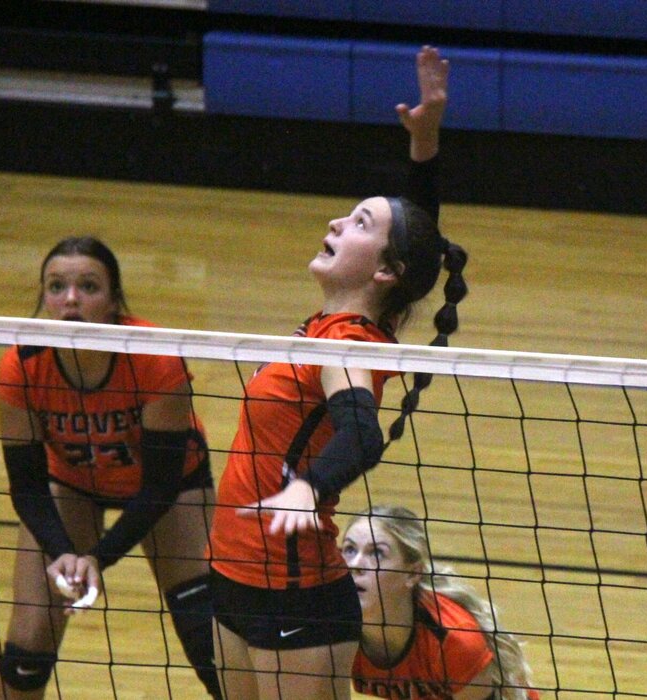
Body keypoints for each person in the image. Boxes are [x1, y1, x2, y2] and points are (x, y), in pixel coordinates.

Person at [206, 45, 468, 699]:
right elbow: (412, 245)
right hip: (232, 575)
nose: (334, 221)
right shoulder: (337, 324)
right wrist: (425, 148)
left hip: (295, 595)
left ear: (383, 272)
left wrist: (307, 488)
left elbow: (362, 437)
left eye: (356, 223)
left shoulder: (346, 343)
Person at [0, 237, 221, 699]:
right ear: (44, 298)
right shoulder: (21, 365)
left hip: (170, 489)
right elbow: (28, 488)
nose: (70, 298)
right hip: (70, 485)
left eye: (88, 286)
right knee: (27, 649)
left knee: (209, 639)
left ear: (114, 300)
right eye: (57, 287)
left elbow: (158, 486)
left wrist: (97, 556)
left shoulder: (154, 359)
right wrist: (63, 553)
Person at [342, 506, 540, 700]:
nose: (355, 565)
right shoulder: (329, 627)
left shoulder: (454, 638)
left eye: (376, 553)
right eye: (349, 550)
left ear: (412, 573)